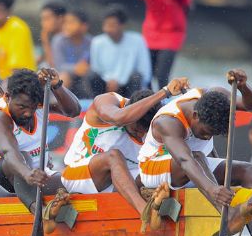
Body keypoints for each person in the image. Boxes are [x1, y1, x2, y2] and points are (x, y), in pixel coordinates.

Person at [137, 70, 252, 236]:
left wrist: (243, 87)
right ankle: (228, 216)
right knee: (197, 157)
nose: (207, 137)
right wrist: (212, 189)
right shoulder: (168, 122)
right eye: (206, 132)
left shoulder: (217, 97)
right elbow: (185, 161)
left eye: (213, 134)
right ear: (195, 115)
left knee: (248, 170)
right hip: (153, 169)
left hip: (195, 166)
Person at [60, 78, 191, 225]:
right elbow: (118, 118)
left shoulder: (156, 124)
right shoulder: (108, 101)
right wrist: (165, 92)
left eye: (144, 131)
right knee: (114, 156)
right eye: (136, 129)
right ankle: (145, 213)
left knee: (155, 170)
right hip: (78, 177)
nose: (140, 135)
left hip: (121, 186)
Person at [0, 68, 81, 226]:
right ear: (7, 97)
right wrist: (27, 173)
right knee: (22, 157)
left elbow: (73, 111)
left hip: (35, 176)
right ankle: (41, 214)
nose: (28, 113)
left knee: (72, 183)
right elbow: (9, 153)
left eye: (32, 107)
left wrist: (57, 85)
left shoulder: (37, 103)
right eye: (22, 107)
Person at [131, 0, 192, 91]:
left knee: (161, 74)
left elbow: (187, 6)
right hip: (151, 31)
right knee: (146, 73)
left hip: (172, 33)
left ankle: (164, 100)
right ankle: (148, 100)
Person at [88, 7, 150, 97]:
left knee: (136, 76)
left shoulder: (138, 40)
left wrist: (119, 81)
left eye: (112, 25)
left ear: (122, 25)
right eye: (106, 25)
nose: (108, 29)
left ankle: (133, 104)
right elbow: (96, 69)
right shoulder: (97, 42)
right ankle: (97, 102)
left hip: (128, 86)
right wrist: (109, 80)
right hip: (106, 86)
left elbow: (144, 71)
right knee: (91, 75)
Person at [51, 9, 92, 97]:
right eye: (65, 22)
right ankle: (58, 102)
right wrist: (75, 68)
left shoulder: (91, 42)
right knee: (63, 77)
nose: (66, 26)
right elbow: (59, 65)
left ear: (84, 26)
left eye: (71, 23)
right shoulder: (59, 40)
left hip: (84, 75)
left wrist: (85, 68)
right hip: (66, 75)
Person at [39, 2, 67, 67]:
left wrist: (45, 40)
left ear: (60, 18)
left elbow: (53, 66)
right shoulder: (53, 37)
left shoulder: (67, 38)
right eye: (42, 19)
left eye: (46, 19)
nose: (42, 23)